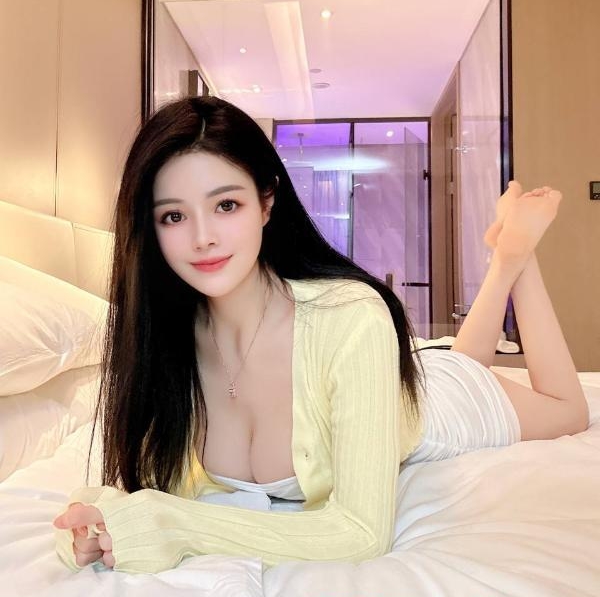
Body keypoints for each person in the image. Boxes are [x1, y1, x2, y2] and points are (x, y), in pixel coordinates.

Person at [53, 96, 589, 573]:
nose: (203, 237)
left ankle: (517, 253)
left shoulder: (352, 316)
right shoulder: (161, 343)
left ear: (267, 202)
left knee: (561, 408)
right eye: (173, 216)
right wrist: (94, 522)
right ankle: (505, 259)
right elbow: (143, 487)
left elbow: (361, 534)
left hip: (436, 405)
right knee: (464, 356)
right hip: (378, 372)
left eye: (226, 205)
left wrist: (177, 525)